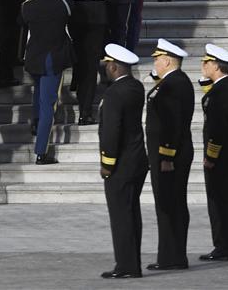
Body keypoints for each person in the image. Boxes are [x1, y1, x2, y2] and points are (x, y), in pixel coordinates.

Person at [98, 43, 149, 279]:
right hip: (137, 160)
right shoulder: (135, 86)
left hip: (121, 164)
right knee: (130, 213)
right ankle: (130, 262)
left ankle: (127, 266)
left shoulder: (114, 93)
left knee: (121, 215)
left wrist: (107, 163)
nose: (105, 69)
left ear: (114, 67)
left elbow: (111, 131)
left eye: (107, 65)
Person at [146, 38, 194, 271]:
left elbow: (171, 123)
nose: (155, 62)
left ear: (166, 60)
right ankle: (169, 254)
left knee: (169, 204)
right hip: (169, 153)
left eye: (157, 59)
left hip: (169, 155)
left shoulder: (174, 85)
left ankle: (172, 256)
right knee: (168, 203)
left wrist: (166, 156)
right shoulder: (172, 81)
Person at [21, 0, 73, 165]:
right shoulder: (62, 3)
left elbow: (22, 20)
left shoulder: (27, 6)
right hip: (54, 57)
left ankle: (36, 124)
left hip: (34, 57)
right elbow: (71, 10)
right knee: (48, 105)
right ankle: (41, 151)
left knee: (38, 93)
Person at [59, 0, 109, 124]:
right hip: (100, 14)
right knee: (91, 60)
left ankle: (78, 90)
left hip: (78, 14)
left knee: (81, 56)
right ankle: (85, 110)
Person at [198, 43, 228, 262]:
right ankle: (226, 245)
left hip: (221, 157)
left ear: (215, 65)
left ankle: (225, 246)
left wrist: (211, 155)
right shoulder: (226, 88)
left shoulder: (223, 91)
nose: (202, 65)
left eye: (206, 62)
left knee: (220, 201)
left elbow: (218, 128)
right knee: (224, 200)